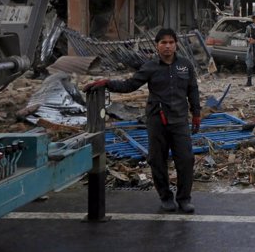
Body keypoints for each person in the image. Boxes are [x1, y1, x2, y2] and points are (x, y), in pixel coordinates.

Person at [83, 27, 201, 213]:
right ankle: (165, 197)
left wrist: (196, 114)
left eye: (171, 42)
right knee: (157, 159)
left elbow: (192, 90)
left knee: (186, 159)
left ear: (176, 45)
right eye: (163, 43)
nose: (167, 46)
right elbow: (130, 85)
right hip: (157, 121)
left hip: (179, 120)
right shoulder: (150, 67)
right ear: (157, 46)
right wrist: (107, 83)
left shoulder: (185, 65)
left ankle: (184, 199)